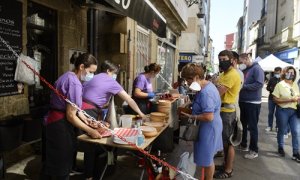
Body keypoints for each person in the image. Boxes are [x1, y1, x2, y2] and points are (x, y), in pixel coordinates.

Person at [41, 53, 103, 180]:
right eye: (90, 71)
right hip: (59, 124)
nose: (92, 75)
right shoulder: (74, 83)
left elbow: (75, 108)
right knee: (61, 165)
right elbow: (70, 115)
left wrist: (87, 120)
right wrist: (90, 130)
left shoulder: (67, 76)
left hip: (54, 121)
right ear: (81, 67)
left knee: (51, 161)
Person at [82, 60, 146, 179]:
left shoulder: (94, 77)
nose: (114, 76)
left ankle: (87, 172)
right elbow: (129, 99)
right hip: (90, 111)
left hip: (81, 109)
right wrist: (141, 113)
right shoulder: (110, 81)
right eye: (114, 73)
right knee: (92, 144)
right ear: (108, 71)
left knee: (88, 143)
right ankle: (90, 176)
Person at [180, 63, 223, 180]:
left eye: (187, 80)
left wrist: (192, 116)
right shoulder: (206, 86)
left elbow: (209, 117)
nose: (186, 83)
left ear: (196, 77)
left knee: (207, 160)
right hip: (209, 126)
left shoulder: (206, 93)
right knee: (207, 158)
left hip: (209, 127)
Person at [213, 50, 241, 179]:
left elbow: (217, 92)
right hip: (222, 110)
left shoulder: (232, 74)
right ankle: (225, 164)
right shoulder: (224, 73)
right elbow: (215, 85)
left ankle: (228, 170)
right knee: (224, 141)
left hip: (228, 113)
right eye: (220, 59)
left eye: (224, 59)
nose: (221, 62)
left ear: (232, 60)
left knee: (229, 142)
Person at [238, 53, 264, 159]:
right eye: (240, 62)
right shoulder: (244, 70)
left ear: (247, 58)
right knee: (243, 125)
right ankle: (243, 144)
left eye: (242, 61)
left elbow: (259, 84)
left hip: (253, 102)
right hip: (243, 101)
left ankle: (254, 150)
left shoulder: (257, 69)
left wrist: (244, 86)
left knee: (252, 127)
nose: (241, 63)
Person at [272, 66, 300, 162]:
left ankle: (296, 152)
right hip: (283, 111)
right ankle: (280, 147)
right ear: (285, 73)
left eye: (293, 73)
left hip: (295, 111)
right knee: (282, 130)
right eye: (289, 72)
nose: (291, 74)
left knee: (296, 132)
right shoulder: (280, 85)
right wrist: (290, 100)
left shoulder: (295, 85)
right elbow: (275, 100)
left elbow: (298, 96)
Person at [266, 67, 282, 132]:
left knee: (278, 113)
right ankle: (270, 126)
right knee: (270, 113)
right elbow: (267, 87)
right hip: (271, 98)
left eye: (278, 73)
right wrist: (271, 89)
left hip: (279, 99)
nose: (276, 74)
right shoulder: (272, 79)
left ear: (281, 72)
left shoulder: (282, 80)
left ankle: (277, 127)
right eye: (275, 73)